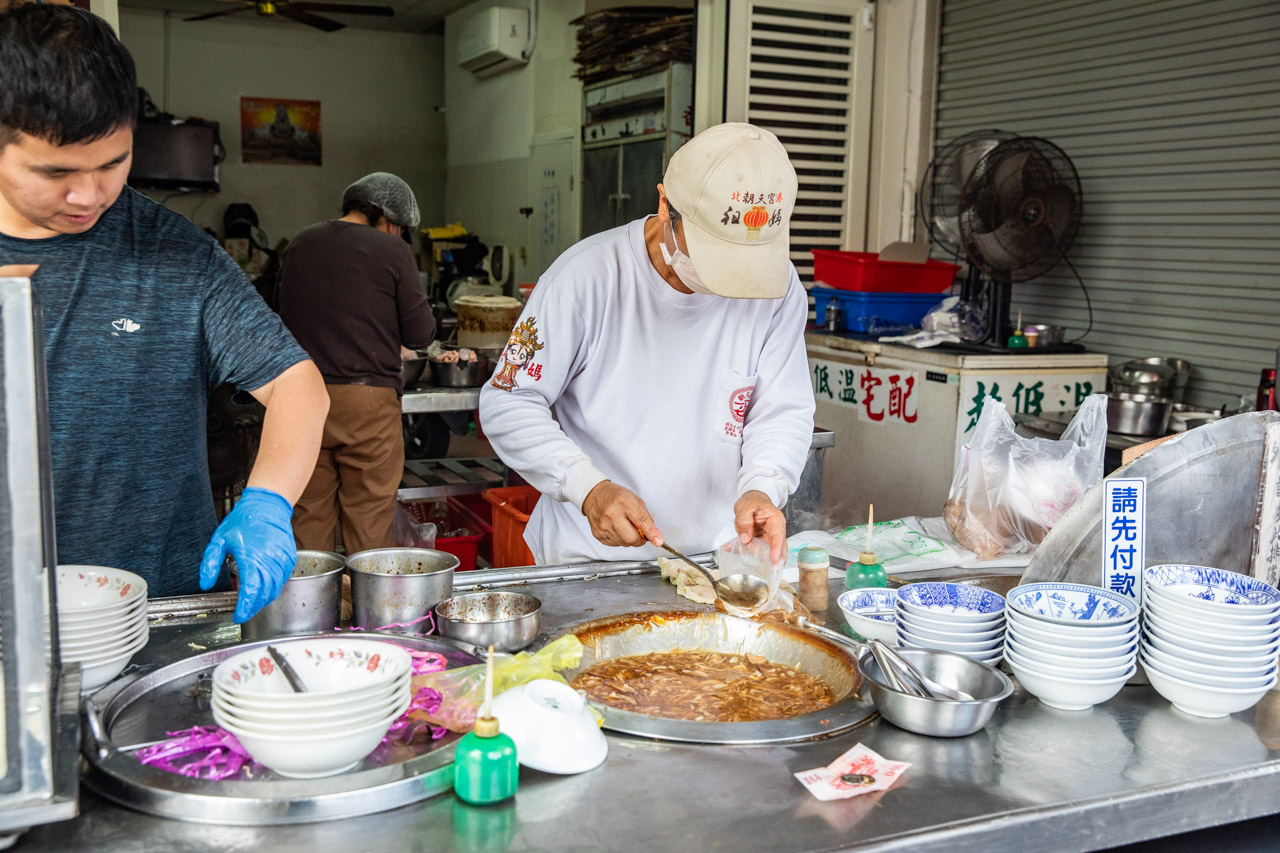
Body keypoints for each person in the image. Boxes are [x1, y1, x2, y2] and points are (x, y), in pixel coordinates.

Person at [0, 5, 329, 623]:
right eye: (56, 173)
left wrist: (267, 501)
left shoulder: (176, 253)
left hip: (159, 611)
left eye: (112, 164)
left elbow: (296, 383)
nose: (89, 195)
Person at [479, 122, 814, 566]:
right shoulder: (585, 279)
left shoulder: (778, 289)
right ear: (664, 206)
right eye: (715, 257)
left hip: (714, 561)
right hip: (588, 562)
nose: (729, 286)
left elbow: (781, 410)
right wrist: (588, 489)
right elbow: (509, 401)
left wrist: (762, 487)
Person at [278, 173, 436, 553]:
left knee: (307, 519)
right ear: (390, 221)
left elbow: (278, 314)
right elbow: (420, 334)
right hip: (367, 406)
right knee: (368, 523)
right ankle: (369, 610)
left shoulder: (301, 241)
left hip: (303, 399)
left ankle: (305, 608)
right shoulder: (391, 250)